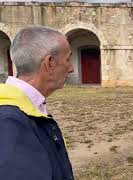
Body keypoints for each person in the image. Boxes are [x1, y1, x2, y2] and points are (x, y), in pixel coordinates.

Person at [0, 26, 74, 179]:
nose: (71, 68)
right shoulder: (11, 123)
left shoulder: (26, 111)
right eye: (67, 59)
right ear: (50, 63)